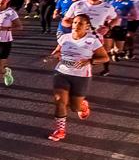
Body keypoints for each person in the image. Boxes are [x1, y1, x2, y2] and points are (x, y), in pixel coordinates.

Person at [44, 14, 109, 142]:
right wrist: (52, 56)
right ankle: (60, 130)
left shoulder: (92, 40)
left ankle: (83, 106)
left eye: (80, 23)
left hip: (81, 77)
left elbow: (105, 58)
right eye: (74, 23)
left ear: (87, 26)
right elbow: (57, 51)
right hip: (61, 72)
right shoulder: (65, 37)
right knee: (59, 101)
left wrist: (89, 60)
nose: (76, 26)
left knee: (75, 107)